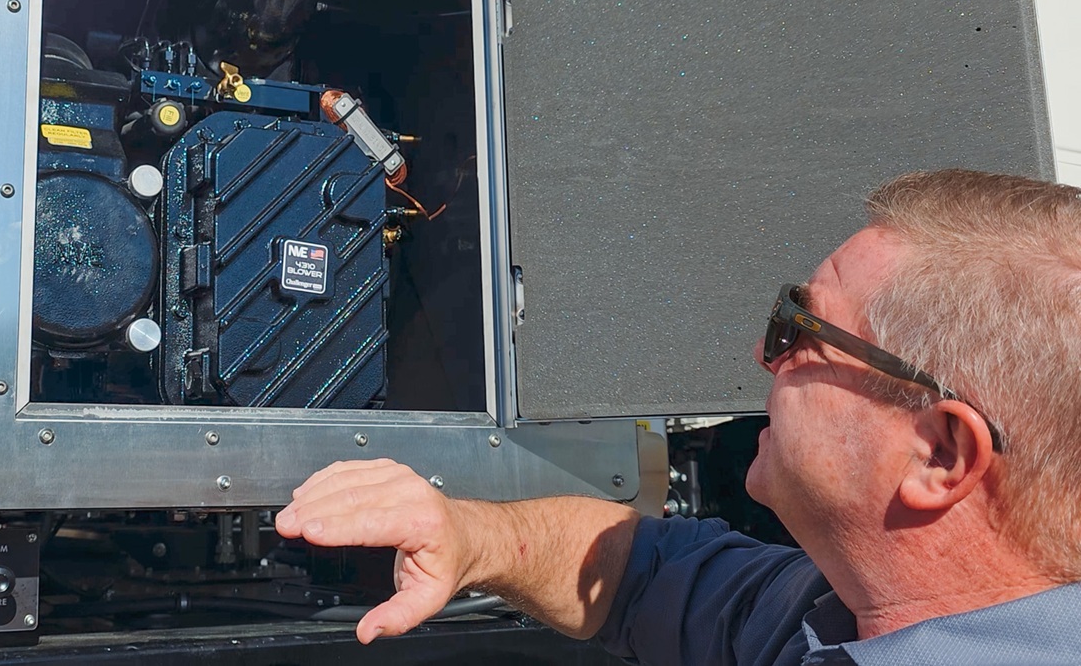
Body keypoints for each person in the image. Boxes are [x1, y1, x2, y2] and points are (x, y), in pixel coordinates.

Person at [275, 170, 1081, 664]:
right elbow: (637, 572)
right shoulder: (829, 609)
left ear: (940, 453)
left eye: (803, 330)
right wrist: (465, 533)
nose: (767, 355)